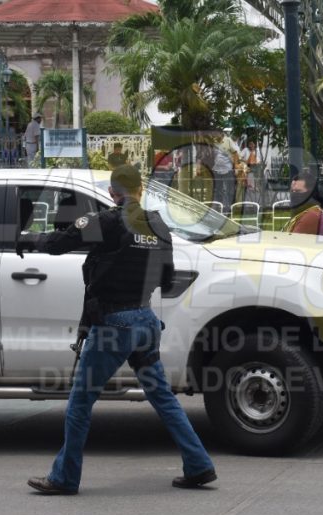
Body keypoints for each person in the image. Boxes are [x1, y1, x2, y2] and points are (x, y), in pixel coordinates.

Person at [20, 165, 216, 495]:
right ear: (140, 190)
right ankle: (199, 465)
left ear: (113, 192)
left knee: (80, 403)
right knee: (163, 398)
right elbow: (166, 280)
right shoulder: (158, 225)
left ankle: (65, 478)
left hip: (114, 325)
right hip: (145, 322)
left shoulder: (108, 222)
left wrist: (29, 240)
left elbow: (59, 243)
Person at [283, 171, 323, 236]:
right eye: (292, 191)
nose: (293, 194)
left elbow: (292, 242)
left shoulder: (312, 215)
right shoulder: (302, 213)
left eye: (298, 191)